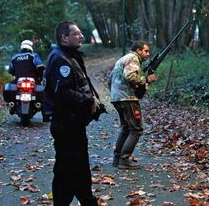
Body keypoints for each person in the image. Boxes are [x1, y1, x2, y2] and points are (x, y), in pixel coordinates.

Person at [43, 21, 99, 206]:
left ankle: (88, 200)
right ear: (64, 38)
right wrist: (88, 100)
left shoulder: (69, 55)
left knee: (79, 168)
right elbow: (63, 92)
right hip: (66, 124)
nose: (82, 36)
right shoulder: (60, 59)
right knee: (66, 172)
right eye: (77, 33)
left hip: (74, 124)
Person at [109, 40, 158, 169]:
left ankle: (117, 158)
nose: (148, 54)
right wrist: (147, 79)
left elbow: (111, 78)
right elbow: (130, 77)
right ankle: (124, 160)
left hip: (117, 98)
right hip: (127, 98)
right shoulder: (133, 58)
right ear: (138, 50)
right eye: (146, 51)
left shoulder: (124, 58)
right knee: (136, 129)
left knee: (126, 128)